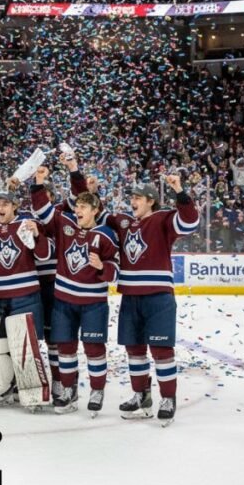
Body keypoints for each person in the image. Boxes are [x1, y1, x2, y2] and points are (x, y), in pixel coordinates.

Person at [91, 174, 199, 426]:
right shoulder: (124, 222)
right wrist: (93, 192)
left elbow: (190, 221)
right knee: (134, 350)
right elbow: (97, 215)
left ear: (151, 201)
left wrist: (179, 190)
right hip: (130, 297)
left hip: (158, 298)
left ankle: (168, 398)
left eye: (138, 197)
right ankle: (141, 396)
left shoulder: (164, 219)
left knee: (161, 351)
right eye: (132, 197)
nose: (133, 201)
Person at [32, 165, 118, 415]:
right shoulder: (65, 225)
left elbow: (116, 271)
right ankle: (68, 391)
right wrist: (38, 182)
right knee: (65, 347)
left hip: (93, 304)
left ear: (95, 210)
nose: (78, 210)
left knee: (94, 348)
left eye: (84, 207)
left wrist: (102, 266)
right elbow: (43, 210)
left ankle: (97, 390)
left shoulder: (106, 235)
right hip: (63, 301)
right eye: (77, 206)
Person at [0, 188, 52, 412]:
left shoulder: (26, 225)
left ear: (15, 206)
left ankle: (32, 390)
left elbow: (44, 255)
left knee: (25, 347)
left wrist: (37, 235)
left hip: (25, 296)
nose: (1, 208)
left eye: (6, 204)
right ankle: (5, 384)